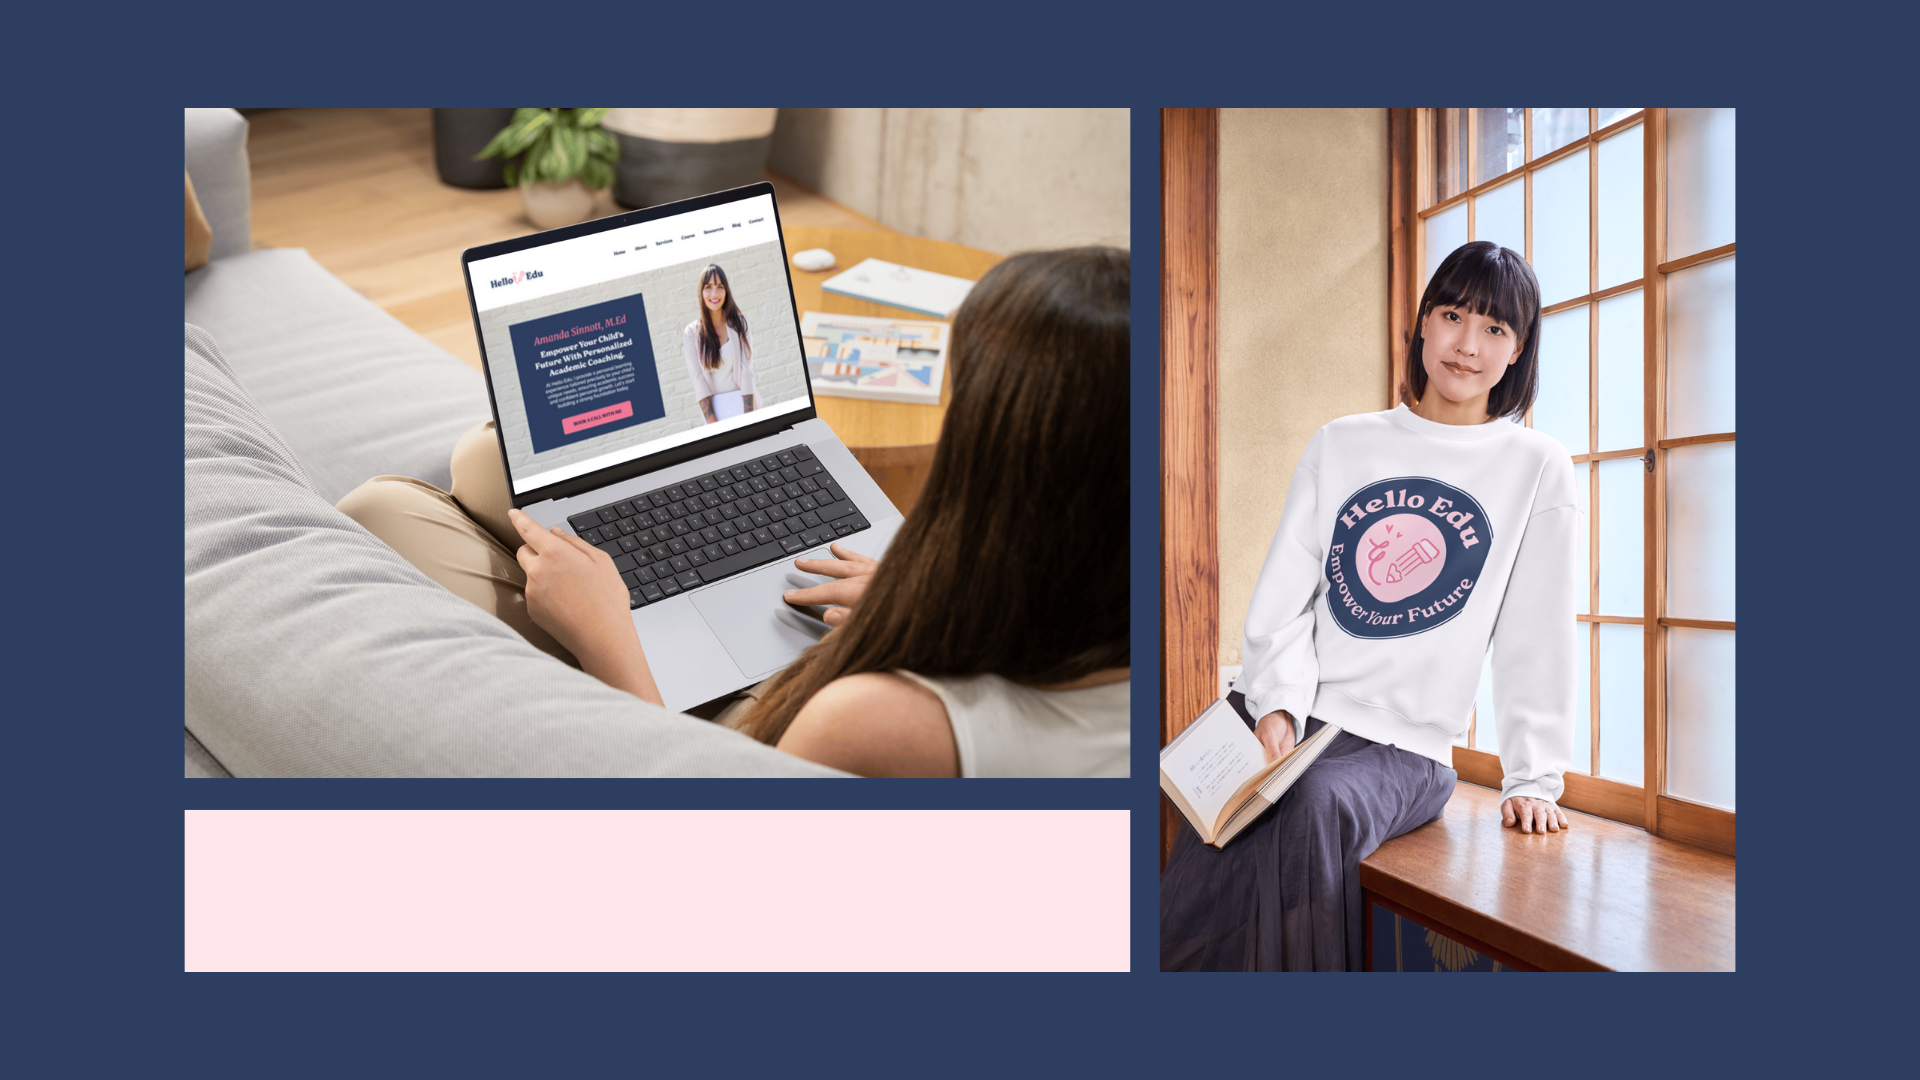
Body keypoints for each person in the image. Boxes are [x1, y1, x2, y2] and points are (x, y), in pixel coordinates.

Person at [338, 246, 1130, 778]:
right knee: (487, 461)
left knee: (382, 509)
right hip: (857, 656)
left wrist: (609, 637)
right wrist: (924, 598)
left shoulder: (878, 723)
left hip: (704, 734)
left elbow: (699, 850)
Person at [1159, 240, 1579, 971]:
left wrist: (1533, 778)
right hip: (1297, 719)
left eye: (1495, 329)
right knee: (1218, 801)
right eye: (1452, 316)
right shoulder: (1344, 443)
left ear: (1519, 351)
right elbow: (1286, 598)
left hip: (1402, 749)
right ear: (1422, 325)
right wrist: (1277, 709)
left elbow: (1535, 633)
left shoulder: (1535, 466)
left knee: (1314, 804)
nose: (1468, 346)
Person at [684, 263, 754, 424]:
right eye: (708, 287)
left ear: (726, 291)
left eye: (720, 287)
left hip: (743, 407)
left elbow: (747, 370)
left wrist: (749, 417)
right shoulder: (691, 333)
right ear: (701, 292)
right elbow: (698, 379)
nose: (714, 293)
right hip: (715, 413)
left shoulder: (740, 324)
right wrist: (713, 424)